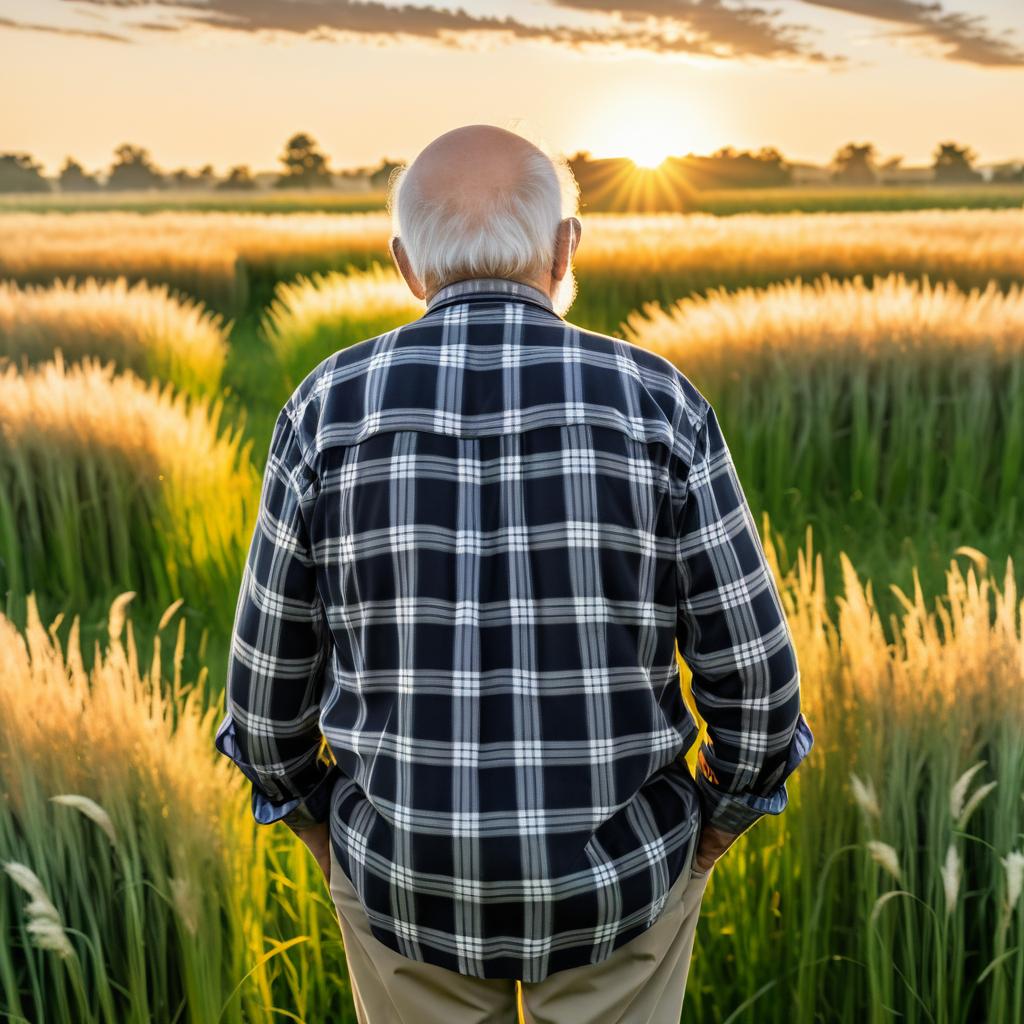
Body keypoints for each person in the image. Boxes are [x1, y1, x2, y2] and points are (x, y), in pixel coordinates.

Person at [215, 123, 814, 1023]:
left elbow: (263, 711)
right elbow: (760, 688)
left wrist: (324, 833)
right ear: (566, 246)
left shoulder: (324, 410)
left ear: (407, 265)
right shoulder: (660, 404)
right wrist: (713, 828)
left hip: (401, 888)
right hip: (623, 885)